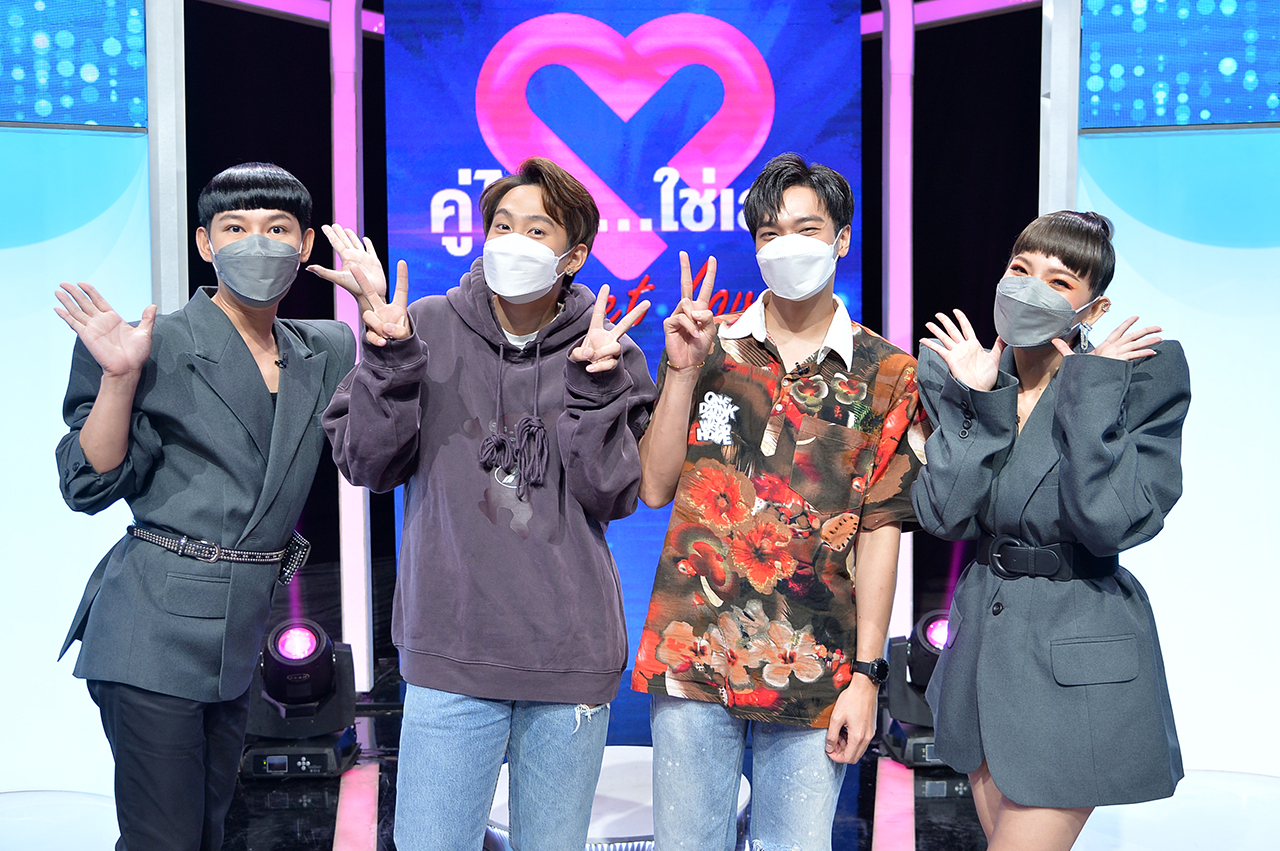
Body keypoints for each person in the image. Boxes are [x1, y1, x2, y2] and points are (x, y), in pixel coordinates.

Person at [321, 157, 656, 851]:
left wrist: (596, 390)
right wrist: (389, 359)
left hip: (568, 653)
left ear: (574, 255)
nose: (513, 242)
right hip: (451, 649)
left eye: (536, 230)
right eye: (502, 225)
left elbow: (614, 493)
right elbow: (367, 464)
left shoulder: (606, 348)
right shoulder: (422, 326)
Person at [54, 162, 357, 851]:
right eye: (235, 228)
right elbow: (87, 484)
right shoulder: (151, 342)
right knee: (162, 839)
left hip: (237, 631)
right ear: (204, 242)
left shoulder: (326, 349)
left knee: (205, 835)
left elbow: (372, 450)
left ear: (306, 244)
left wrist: (390, 335)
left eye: (277, 228)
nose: (258, 243)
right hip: (151, 624)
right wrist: (119, 378)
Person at [631, 152, 928, 851]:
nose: (786, 246)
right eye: (769, 233)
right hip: (694, 651)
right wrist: (681, 372)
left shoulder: (888, 373)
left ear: (841, 238)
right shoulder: (709, 348)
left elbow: (880, 533)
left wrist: (868, 676)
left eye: (805, 228)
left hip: (815, 664)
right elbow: (653, 486)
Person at [912, 211, 1189, 851]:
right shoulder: (960, 371)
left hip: (1076, 653)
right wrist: (980, 401)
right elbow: (944, 516)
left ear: (1094, 307)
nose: (1029, 290)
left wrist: (1092, 392)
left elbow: (1108, 522)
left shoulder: (1141, 375)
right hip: (984, 652)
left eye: (1059, 281)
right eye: (1020, 269)